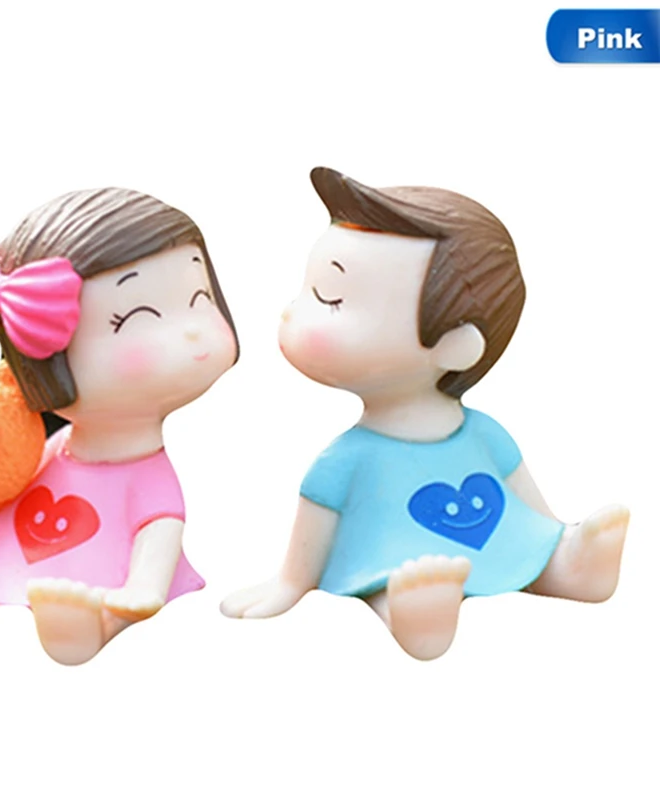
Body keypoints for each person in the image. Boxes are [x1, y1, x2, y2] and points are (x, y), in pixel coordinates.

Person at [221, 167, 628, 661]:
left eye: (330, 298)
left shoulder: (483, 434)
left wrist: (557, 533)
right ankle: (414, 616)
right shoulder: (349, 457)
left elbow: (527, 501)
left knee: (536, 548)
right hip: (389, 553)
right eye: (311, 292)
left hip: (500, 535)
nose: (290, 312)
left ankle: (572, 568)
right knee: (388, 581)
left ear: (455, 347)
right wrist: (288, 584)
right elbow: (315, 526)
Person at [0, 187, 238, 665]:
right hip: (37, 539)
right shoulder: (50, 445)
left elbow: (162, 526)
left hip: (115, 569)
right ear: (41, 358)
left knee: (118, 596)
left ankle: (96, 626)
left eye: (199, 298)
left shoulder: (146, 474)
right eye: (136, 317)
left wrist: (145, 587)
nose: (192, 329)